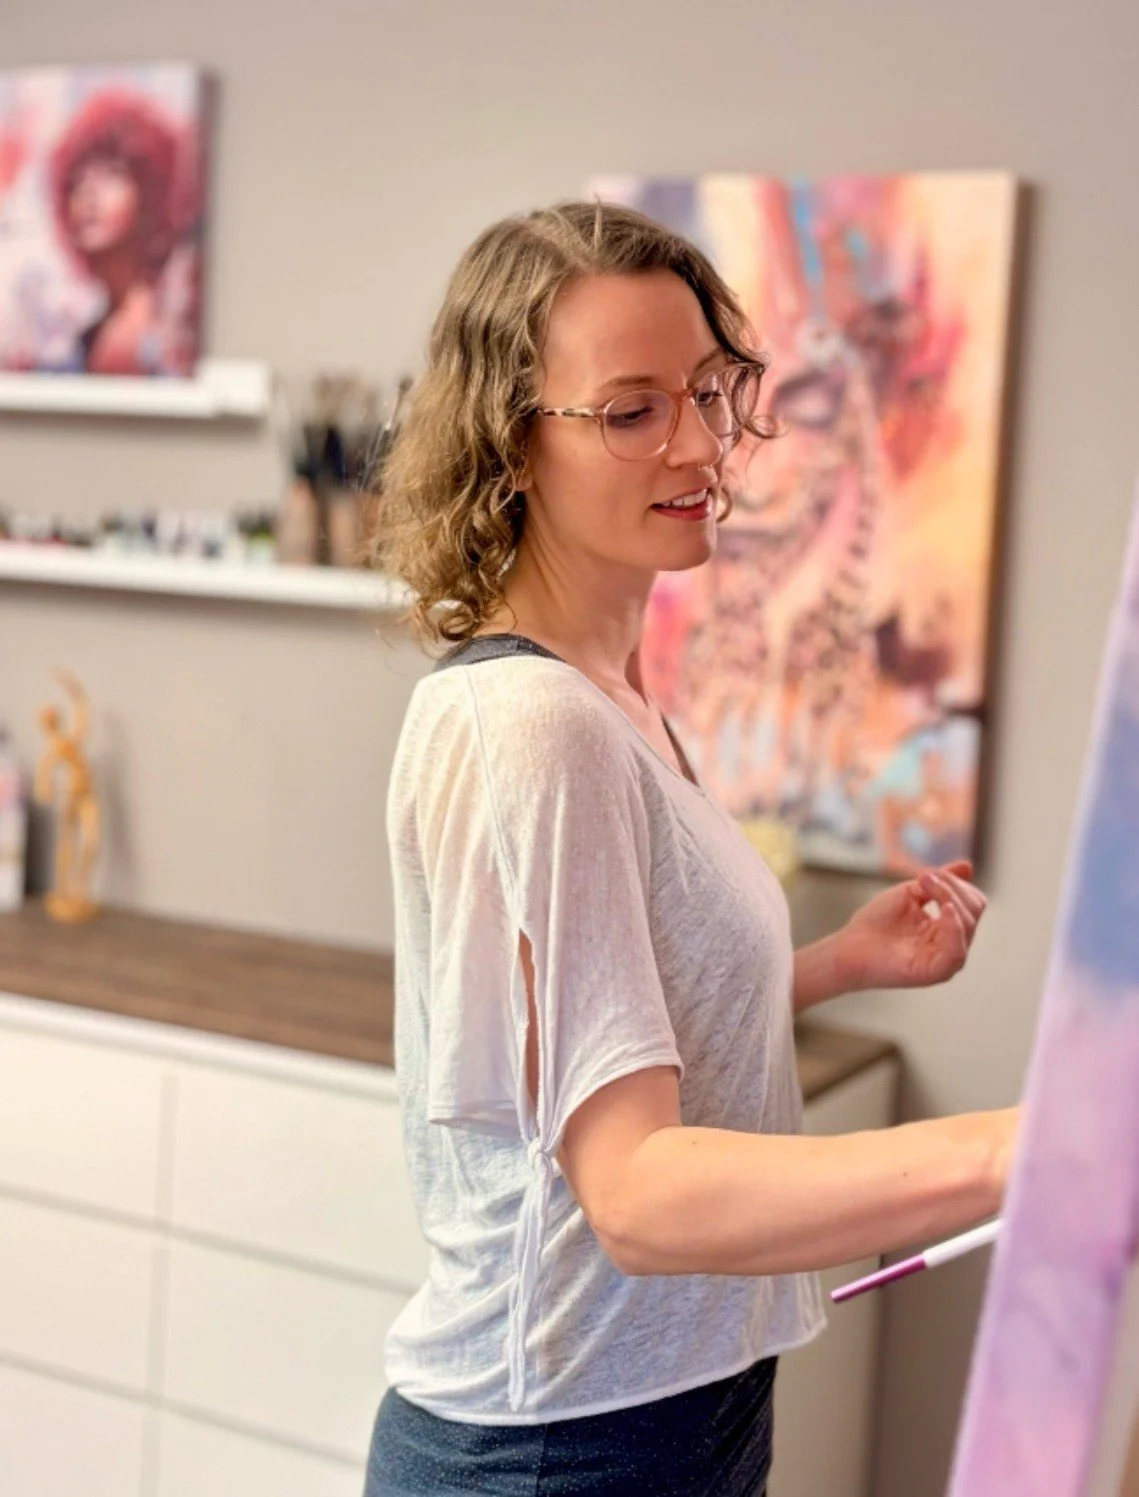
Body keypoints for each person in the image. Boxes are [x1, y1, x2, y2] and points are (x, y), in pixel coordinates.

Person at [363, 200, 1019, 1496]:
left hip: (670, 1407)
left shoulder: (609, 699)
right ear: (511, 443)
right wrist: (1024, 1147)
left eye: (708, 393)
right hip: (565, 1445)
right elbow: (637, 1192)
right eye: (627, 409)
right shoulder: (534, 725)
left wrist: (821, 965)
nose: (698, 444)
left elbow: (596, 1040)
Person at [46, 89, 200, 375]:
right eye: (78, 181)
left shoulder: (167, 330)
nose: (89, 195)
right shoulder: (85, 337)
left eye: (111, 174)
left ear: (150, 193)